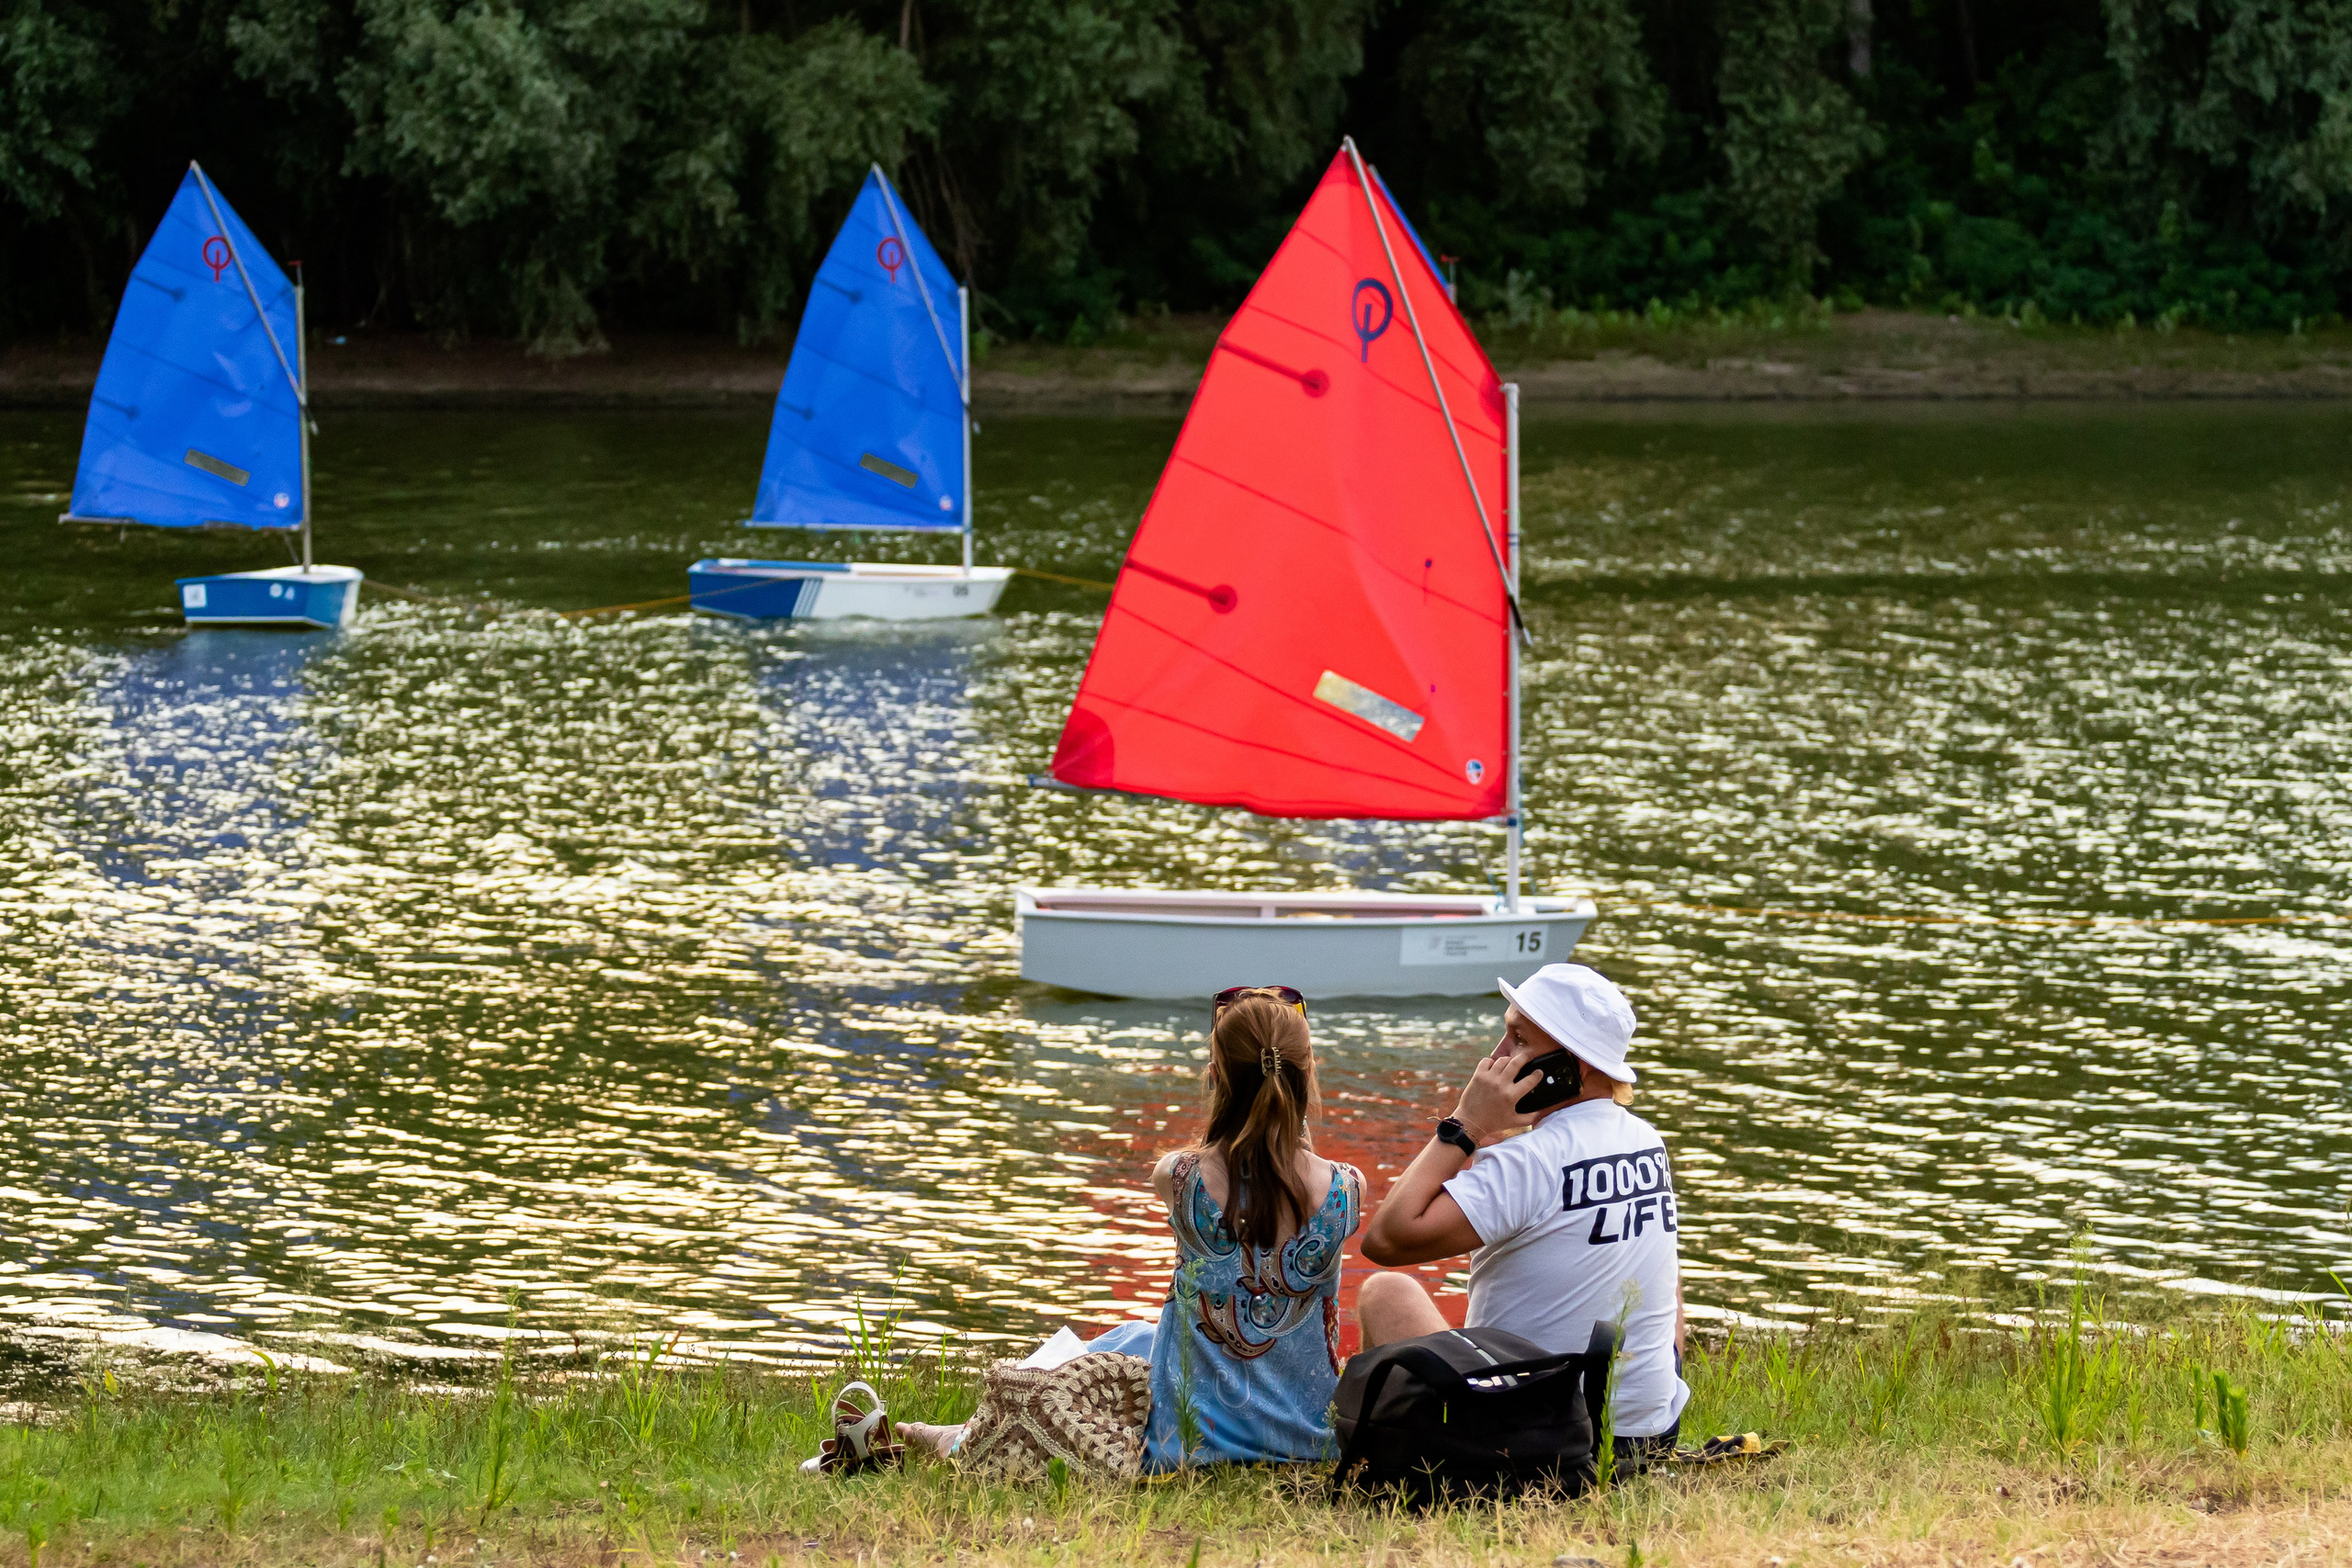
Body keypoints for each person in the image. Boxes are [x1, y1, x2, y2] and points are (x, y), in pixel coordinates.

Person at [903, 986, 1363, 1470]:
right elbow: (1290, 1167)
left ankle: (958, 1436)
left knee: (1102, 1360)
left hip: (1188, 1447)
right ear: (1308, 1075)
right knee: (1136, 1336)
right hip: (1307, 1444)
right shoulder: (1348, 1189)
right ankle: (956, 1433)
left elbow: (1227, 1159)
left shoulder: (1180, 1177)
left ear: (1215, 1079)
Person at [1358, 963, 1688, 1461]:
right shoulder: (1647, 1140)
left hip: (1535, 1442)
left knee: (1387, 1293)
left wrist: (1464, 1125)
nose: (1495, 1059)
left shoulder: (1528, 1163)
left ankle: (1373, 1451)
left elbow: (1387, 1240)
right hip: (1647, 1436)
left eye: (1518, 1040)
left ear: (1574, 1064)